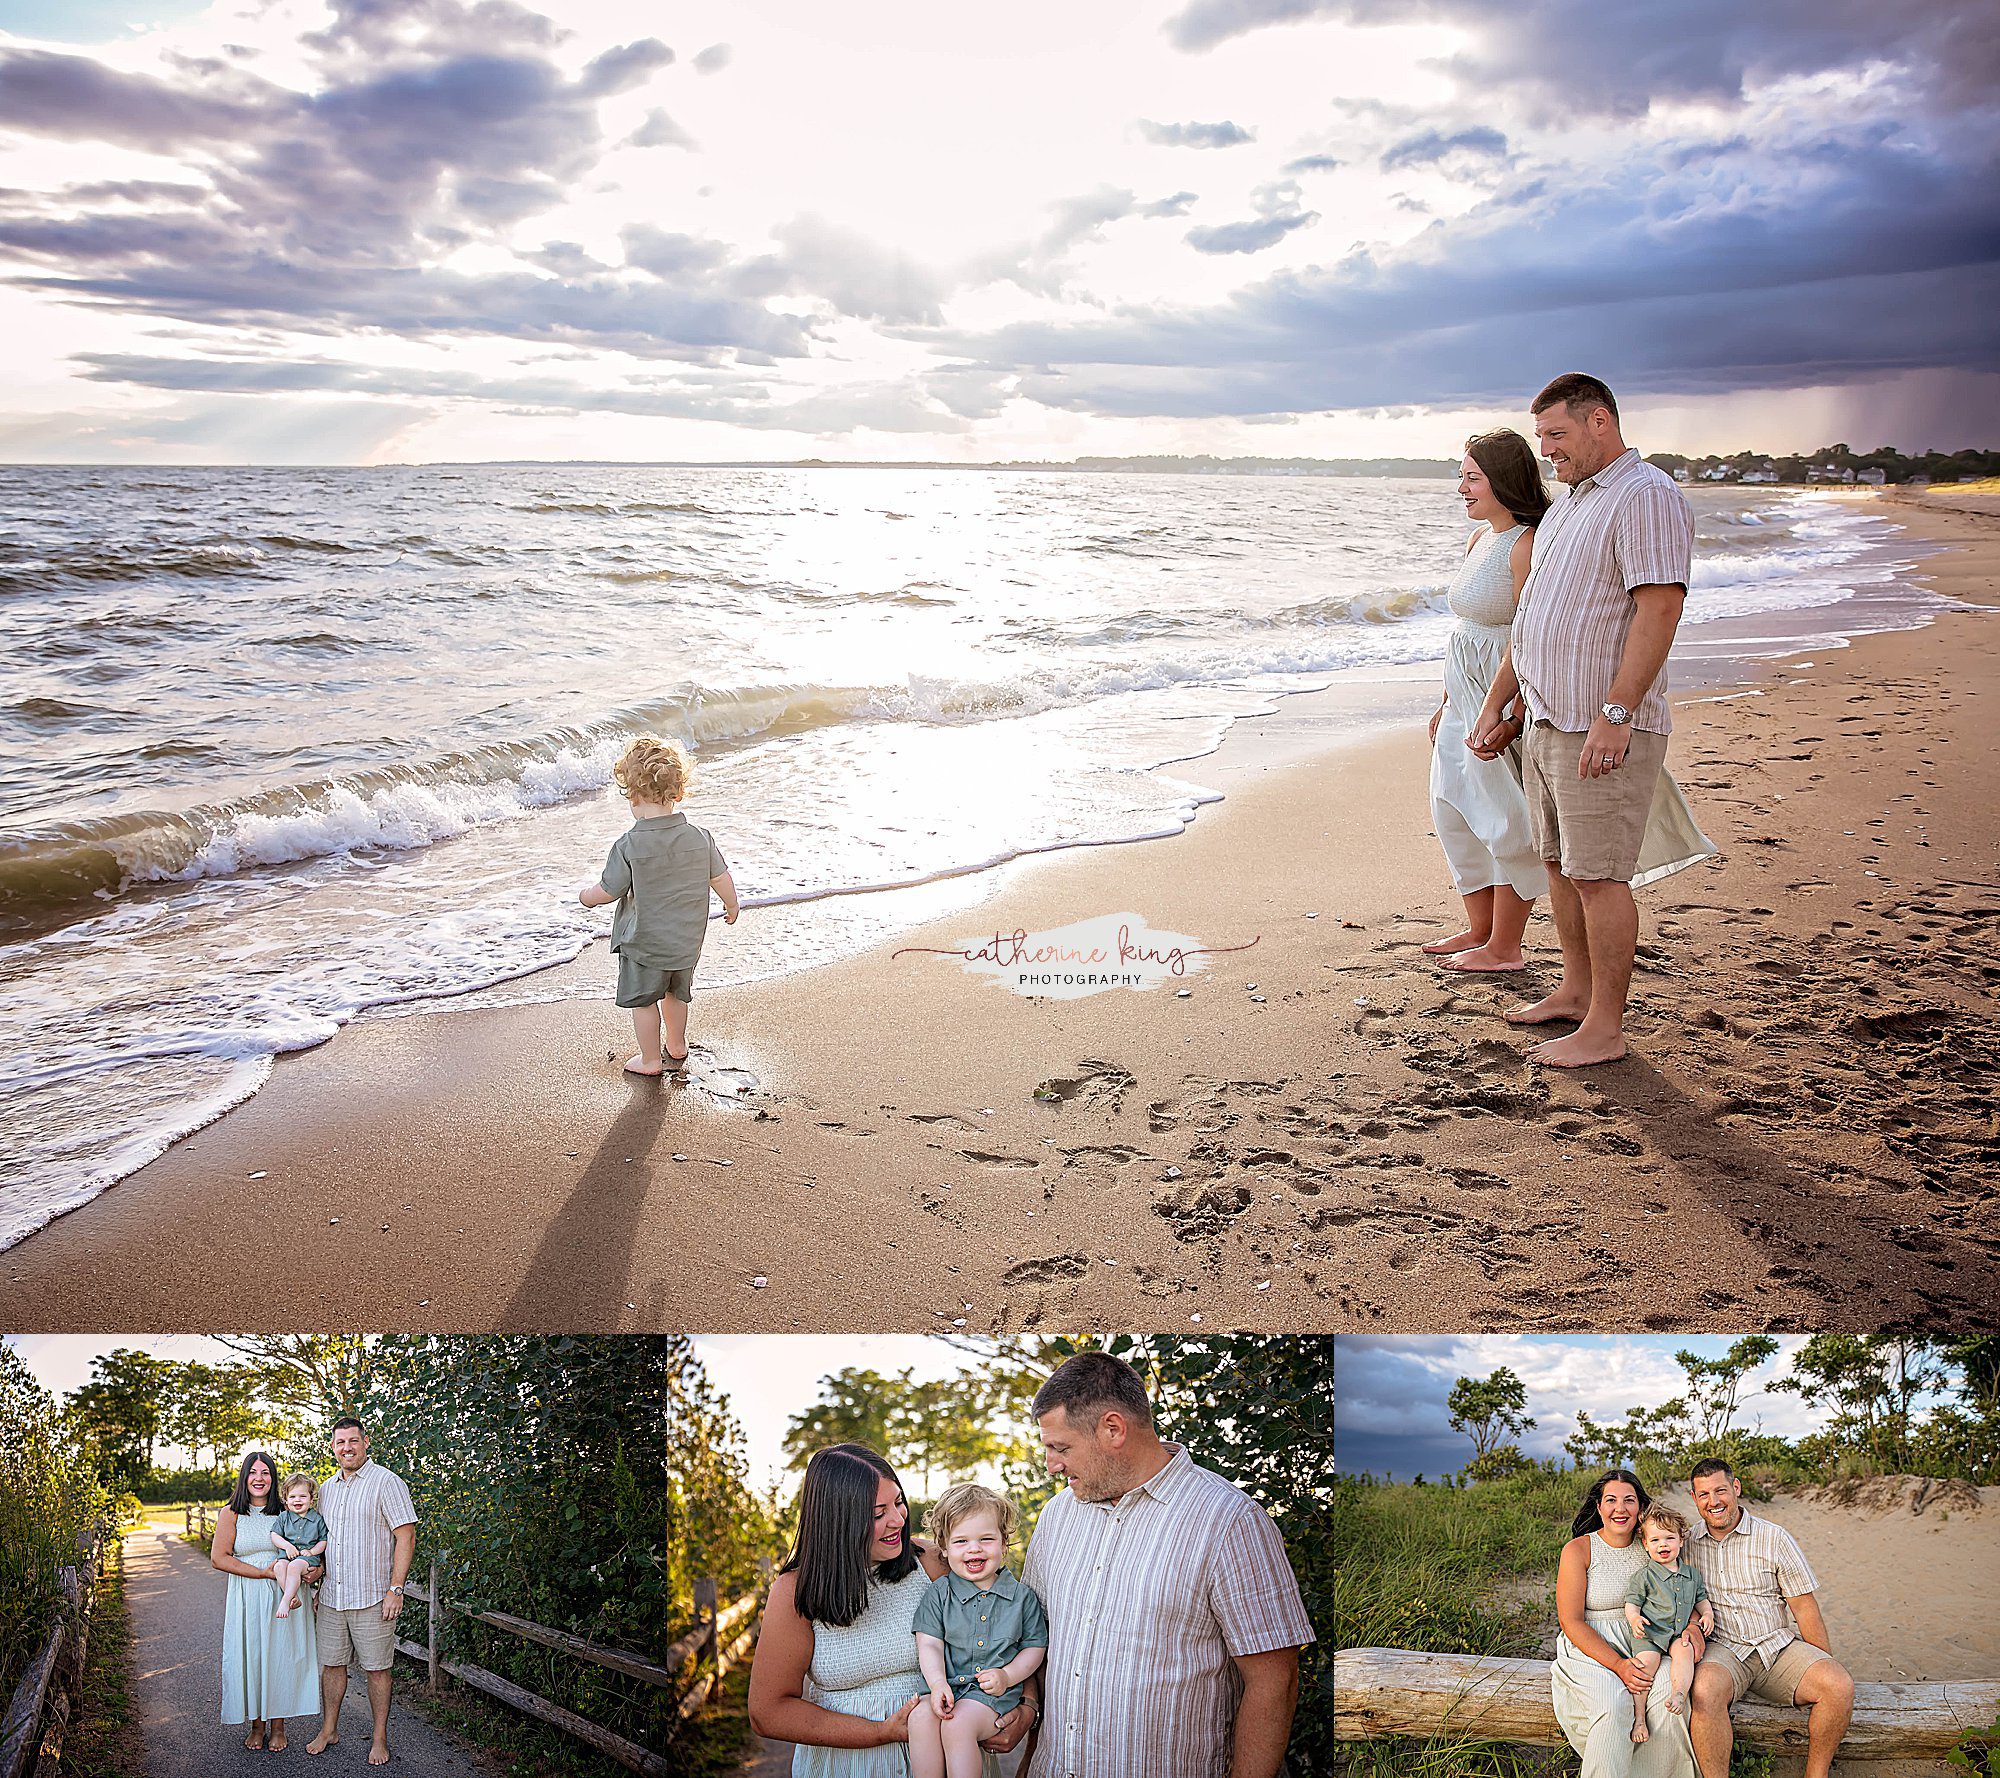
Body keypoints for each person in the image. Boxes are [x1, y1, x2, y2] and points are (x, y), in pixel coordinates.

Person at [1469, 372, 1715, 1066]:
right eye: (1541, 436)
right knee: (1560, 865)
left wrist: (1617, 712)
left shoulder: (1647, 497)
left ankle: (1606, 1026)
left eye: (1557, 434)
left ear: (1600, 421)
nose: (1546, 450)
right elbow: (1534, 618)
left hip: (1600, 723)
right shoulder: (1570, 506)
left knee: (1600, 876)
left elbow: (1660, 608)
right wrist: (1501, 702)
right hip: (1546, 719)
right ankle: (1575, 994)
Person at [1018, 1350, 1313, 1778]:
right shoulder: (1057, 1516)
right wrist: (1028, 1756)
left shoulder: (1229, 1521)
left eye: (1061, 1447)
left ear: (1113, 1429)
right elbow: (1038, 1644)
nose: (1052, 1465)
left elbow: (1274, 1682)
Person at [748, 1444, 1025, 1777]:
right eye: (877, 1514)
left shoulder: (933, 1563)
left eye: (898, 1502)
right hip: (846, 1767)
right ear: (838, 1522)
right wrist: (879, 1732)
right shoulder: (796, 1590)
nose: (897, 1520)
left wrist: (1027, 1710)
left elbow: (1017, 1624)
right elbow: (768, 1712)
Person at [1421, 428, 1549, 972]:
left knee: (1501, 815)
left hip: (1499, 695)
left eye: (1472, 478)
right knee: (1450, 809)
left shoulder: (1528, 544)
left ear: (1502, 480)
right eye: (1461, 478)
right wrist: (1446, 699)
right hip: (1463, 692)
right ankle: (1479, 930)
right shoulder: (1479, 540)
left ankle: (1506, 947)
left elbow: (1526, 634)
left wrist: (1509, 711)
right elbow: (1469, 629)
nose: (1462, 490)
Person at [578, 734, 739, 1077]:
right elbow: (721, 876)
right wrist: (731, 904)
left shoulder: (628, 845)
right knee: (677, 994)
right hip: (685, 942)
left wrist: (586, 897)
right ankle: (677, 1045)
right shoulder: (700, 836)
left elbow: (609, 890)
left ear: (632, 795)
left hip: (644, 945)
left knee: (645, 1000)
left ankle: (650, 1059)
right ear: (677, 793)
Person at [1685, 1457, 1854, 1778]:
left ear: (1736, 1488)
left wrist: (1821, 1660)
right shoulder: (1686, 1543)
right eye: (1703, 1495)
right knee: (1704, 1690)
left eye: (1720, 1490)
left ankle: (1815, 1775)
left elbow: (1804, 1607)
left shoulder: (1774, 1538)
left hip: (1776, 1646)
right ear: (1693, 1498)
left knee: (1838, 1684)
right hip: (1722, 1650)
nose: (1713, 1502)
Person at [1550, 1469, 1695, 1778]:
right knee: (1613, 1706)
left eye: (1629, 1500)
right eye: (1611, 1500)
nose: (1620, 1509)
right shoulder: (1579, 1550)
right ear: (1599, 1507)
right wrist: (1618, 1665)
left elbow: (1683, 1590)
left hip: (1647, 1641)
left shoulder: (1652, 1545)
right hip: (1591, 1646)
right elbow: (1570, 1621)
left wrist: (1693, 1624)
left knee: (1669, 1701)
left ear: (1640, 1507)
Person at [910, 1483, 1048, 1778]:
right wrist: (936, 1684)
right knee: (920, 1717)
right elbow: (929, 1644)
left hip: (991, 1697)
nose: (974, 1548)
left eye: (986, 1539)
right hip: (946, 1687)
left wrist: (1008, 1675)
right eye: (961, 1542)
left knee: (958, 1724)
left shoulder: (1022, 1598)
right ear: (944, 1548)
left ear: (1003, 1543)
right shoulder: (939, 1594)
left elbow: (1035, 1646)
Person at [309, 1415, 417, 1767]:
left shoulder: (387, 1482)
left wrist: (396, 1589)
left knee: (377, 1669)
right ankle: (329, 1729)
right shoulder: (325, 1489)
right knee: (332, 1666)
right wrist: (316, 1577)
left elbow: (406, 1535)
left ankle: (379, 1737)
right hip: (332, 1598)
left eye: (353, 1441)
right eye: (340, 1443)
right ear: (332, 1447)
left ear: (365, 1442)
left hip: (373, 1596)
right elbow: (322, 1542)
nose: (347, 1448)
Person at [214, 1449, 322, 1753]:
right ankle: (256, 1725)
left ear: (273, 1479)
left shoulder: (288, 1513)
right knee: (253, 1654)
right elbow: (218, 1558)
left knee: (282, 1656)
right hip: (248, 1592)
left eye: (265, 1473)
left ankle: (278, 1726)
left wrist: (316, 1571)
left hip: (285, 1594)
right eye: (253, 1472)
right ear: (244, 1477)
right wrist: (261, 1573)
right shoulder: (231, 1513)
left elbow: (312, 1548)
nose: (259, 1479)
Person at [1621, 1505, 1712, 1743]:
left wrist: (1707, 1615)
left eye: (1669, 1538)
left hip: (1677, 1633)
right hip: (1650, 1633)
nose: (1663, 1544)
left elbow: (1701, 1599)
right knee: (1644, 1666)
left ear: (1681, 1541)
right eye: (1656, 1539)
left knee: (1684, 1650)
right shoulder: (1644, 1576)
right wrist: (1634, 1619)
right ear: (1646, 1544)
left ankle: (1679, 1694)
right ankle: (1639, 1718)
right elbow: (1632, 1604)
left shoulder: (1692, 1574)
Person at [272, 1472, 329, 1619]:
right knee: (278, 1567)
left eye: (302, 1496)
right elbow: (275, 1535)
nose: (297, 1500)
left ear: (311, 1498)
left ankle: (285, 1601)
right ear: (285, 1499)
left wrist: (312, 1551)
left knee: (294, 1567)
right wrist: (287, 1546)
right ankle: (292, 1598)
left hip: (307, 1559)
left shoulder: (317, 1519)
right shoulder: (284, 1517)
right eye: (292, 1497)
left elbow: (323, 1540)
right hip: (287, 1555)